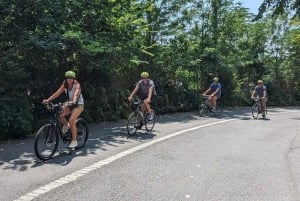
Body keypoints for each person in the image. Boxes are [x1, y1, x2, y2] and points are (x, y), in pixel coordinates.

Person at [42, 70, 84, 148]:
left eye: (71, 78)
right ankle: (66, 125)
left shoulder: (77, 85)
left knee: (71, 120)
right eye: (67, 78)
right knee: (59, 113)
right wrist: (48, 100)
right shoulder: (65, 84)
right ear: (65, 78)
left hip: (78, 104)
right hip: (69, 103)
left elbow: (76, 94)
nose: (69, 80)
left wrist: (74, 101)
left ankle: (74, 141)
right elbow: (57, 93)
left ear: (73, 79)